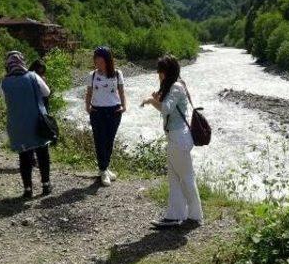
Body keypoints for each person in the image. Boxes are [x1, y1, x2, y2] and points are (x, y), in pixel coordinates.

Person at [141, 55, 203, 228]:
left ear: (169, 71)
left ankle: (195, 216)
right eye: (158, 70)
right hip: (176, 137)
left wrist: (152, 101)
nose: (158, 74)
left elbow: (166, 109)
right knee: (175, 178)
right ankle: (175, 215)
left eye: (161, 70)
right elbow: (168, 107)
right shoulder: (176, 85)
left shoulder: (175, 86)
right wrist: (158, 100)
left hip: (178, 138)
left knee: (185, 178)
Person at [0, 51, 52, 198]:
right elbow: (47, 92)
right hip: (37, 122)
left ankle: (27, 189)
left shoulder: (4, 82)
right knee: (42, 154)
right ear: (22, 62)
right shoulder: (33, 76)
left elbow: (6, 104)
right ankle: (46, 185)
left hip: (17, 125)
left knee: (24, 157)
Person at [85, 47, 127, 186]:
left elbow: (121, 91)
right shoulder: (92, 75)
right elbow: (89, 93)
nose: (98, 64)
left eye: (101, 61)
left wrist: (123, 106)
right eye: (96, 61)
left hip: (114, 111)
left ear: (108, 61)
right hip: (97, 112)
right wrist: (88, 107)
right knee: (99, 140)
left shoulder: (117, 73)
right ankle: (103, 170)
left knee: (109, 140)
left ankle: (105, 167)